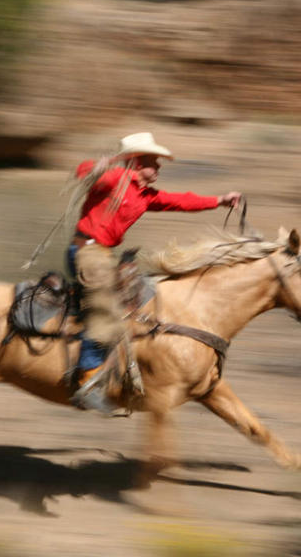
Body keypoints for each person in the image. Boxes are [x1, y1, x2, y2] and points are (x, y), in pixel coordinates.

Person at [66, 132, 241, 410]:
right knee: (104, 307)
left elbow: (181, 201)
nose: (158, 168)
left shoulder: (145, 195)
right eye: (153, 163)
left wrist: (218, 200)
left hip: (103, 255)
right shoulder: (116, 179)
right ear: (137, 163)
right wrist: (96, 167)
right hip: (86, 251)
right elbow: (84, 173)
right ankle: (87, 378)